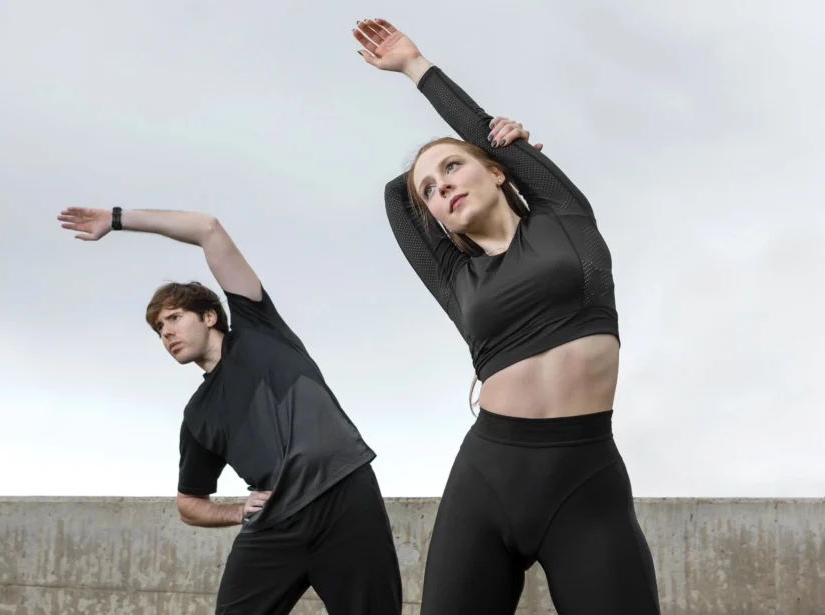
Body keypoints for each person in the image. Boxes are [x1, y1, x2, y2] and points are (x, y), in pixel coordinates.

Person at [352, 17, 661, 615]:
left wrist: (417, 66)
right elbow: (396, 199)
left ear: (496, 171)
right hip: (488, 477)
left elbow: (481, 141)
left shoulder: (564, 217)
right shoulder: (455, 278)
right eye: (431, 193)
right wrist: (476, 155)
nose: (441, 188)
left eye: (452, 169)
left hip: (585, 477)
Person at [57, 205, 402, 614]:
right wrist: (238, 510)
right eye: (158, 329)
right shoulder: (198, 415)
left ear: (209, 316)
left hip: (344, 497)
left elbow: (208, 228)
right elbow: (189, 502)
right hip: (275, 522)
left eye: (174, 317)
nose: (166, 331)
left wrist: (116, 220)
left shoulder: (259, 330)